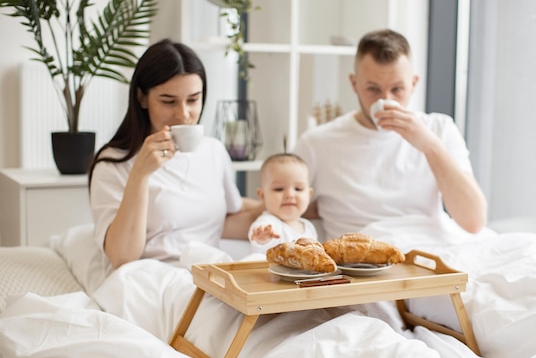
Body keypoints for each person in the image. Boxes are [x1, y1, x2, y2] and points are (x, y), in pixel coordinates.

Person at [294, 29, 487, 240]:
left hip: (431, 256)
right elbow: (280, 206)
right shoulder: (317, 143)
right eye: (373, 89)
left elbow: (473, 221)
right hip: (363, 259)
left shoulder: (439, 129)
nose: (386, 100)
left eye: (397, 89)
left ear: (413, 83)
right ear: (354, 84)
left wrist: (429, 145)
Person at [88, 39, 263, 268]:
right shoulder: (113, 163)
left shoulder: (214, 151)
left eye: (193, 100)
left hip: (207, 275)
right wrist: (140, 173)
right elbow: (122, 257)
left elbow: (234, 211)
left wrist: (283, 201)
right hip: (149, 277)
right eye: (168, 101)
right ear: (142, 98)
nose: (183, 114)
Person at [248, 153, 317, 254]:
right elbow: (256, 235)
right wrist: (262, 236)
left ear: (309, 194)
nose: (290, 194)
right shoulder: (268, 224)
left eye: (298, 189)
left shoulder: (309, 227)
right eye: (279, 189)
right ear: (262, 195)